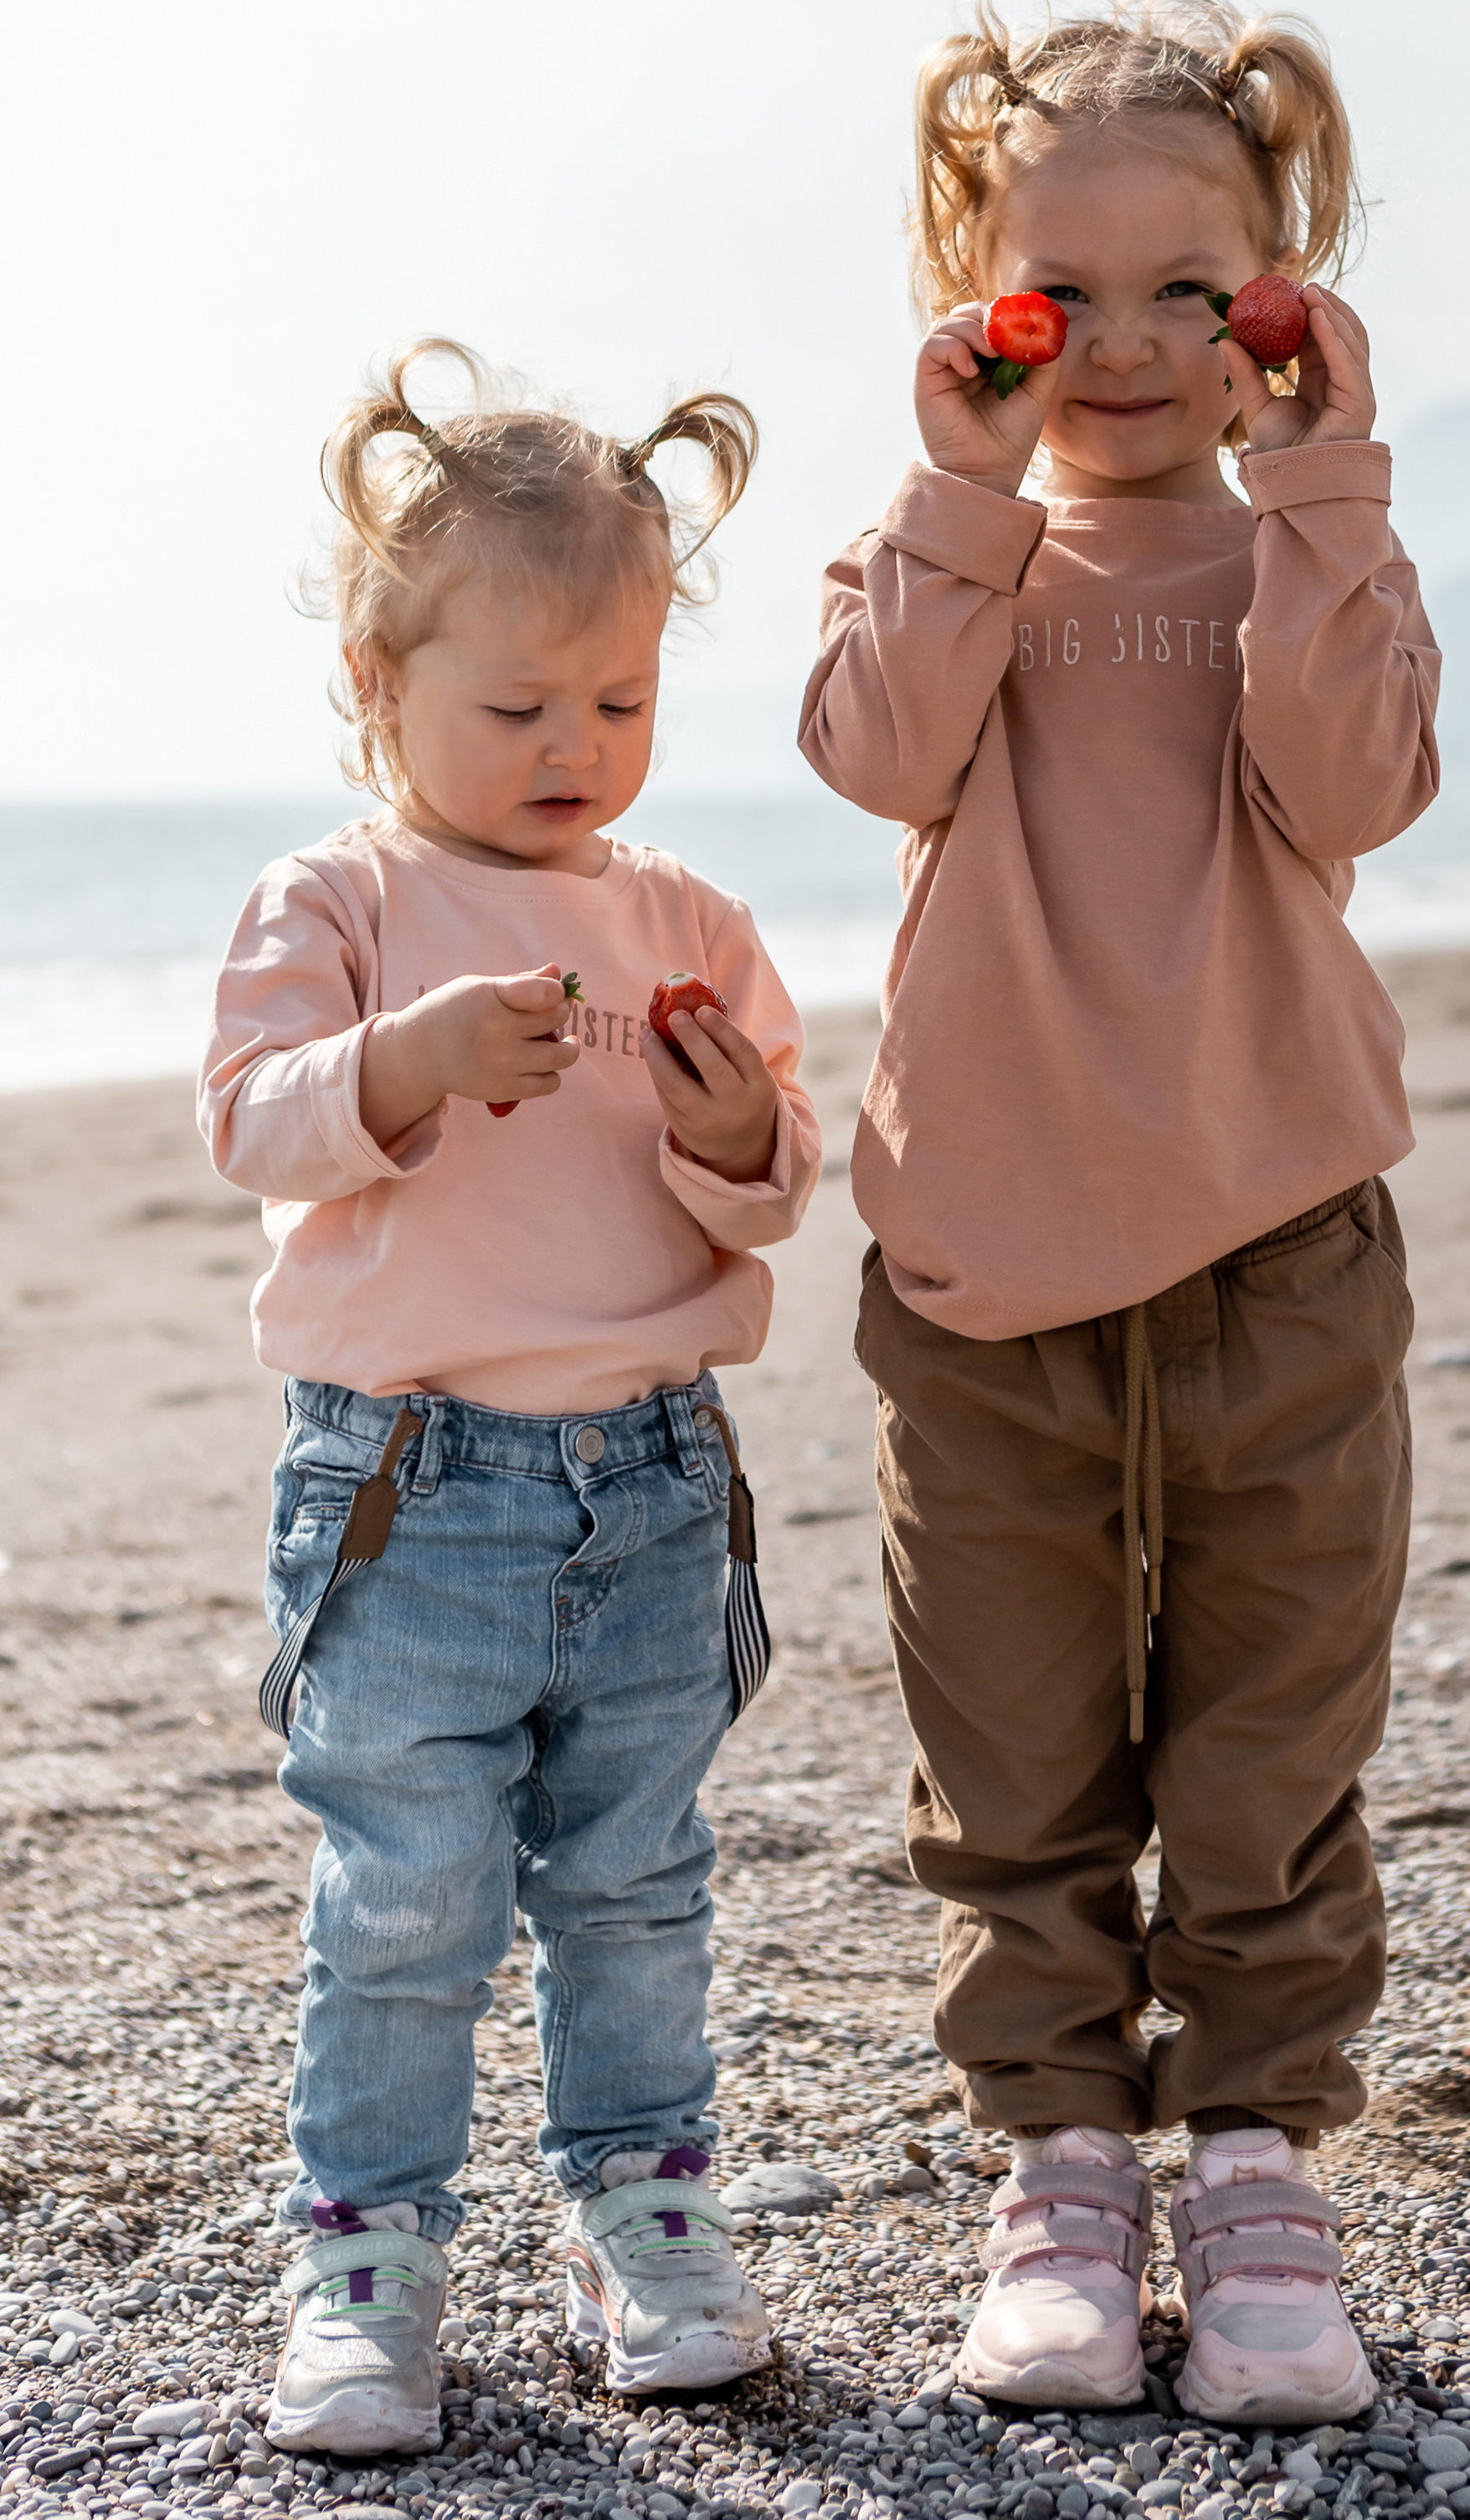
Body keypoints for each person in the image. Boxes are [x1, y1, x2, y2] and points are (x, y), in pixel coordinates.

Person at [799, 0, 1440, 2425]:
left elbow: (1357, 787)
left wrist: (1329, 492)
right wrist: (959, 491)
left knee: (1274, 1735)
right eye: (1076, 295)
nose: (1148, 345)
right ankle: (1058, 2162)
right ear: (982, 307)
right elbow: (880, 753)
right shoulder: (945, 547)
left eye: (1210, 289)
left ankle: (1262, 2157)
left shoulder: (1314, 551)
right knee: (1020, 1748)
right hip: (984, 1268)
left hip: (1280, 1245)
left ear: (1286, 300)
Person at [199, 341, 820, 2456]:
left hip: (651, 1479)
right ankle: (364, 2252)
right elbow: (256, 1127)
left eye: (621, 705)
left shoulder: (689, 922)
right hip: (406, 1488)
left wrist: (736, 1127)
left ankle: (640, 2204)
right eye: (519, 706)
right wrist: (405, 1063)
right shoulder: (342, 904)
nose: (577, 747)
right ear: (380, 687)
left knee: (637, 1879)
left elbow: (779, 1186)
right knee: (406, 1895)